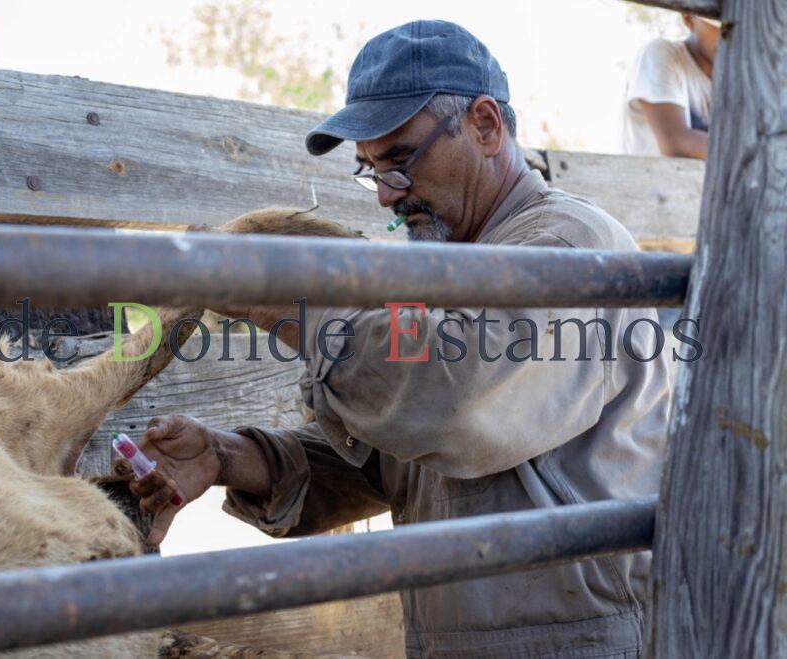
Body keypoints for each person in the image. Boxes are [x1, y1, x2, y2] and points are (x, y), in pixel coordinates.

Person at [120, 20, 671, 657]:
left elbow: (457, 405)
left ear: (486, 126)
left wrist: (287, 306)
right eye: (371, 170)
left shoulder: (566, 247)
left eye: (401, 162)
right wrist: (227, 456)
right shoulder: (441, 270)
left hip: (579, 640)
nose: (386, 195)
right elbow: (399, 463)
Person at [622, 13, 721, 158]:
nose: (731, 35)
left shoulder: (739, 82)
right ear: (688, 18)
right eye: (720, 25)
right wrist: (755, 154)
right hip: (651, 179)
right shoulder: (660, 54)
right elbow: (675, 142)